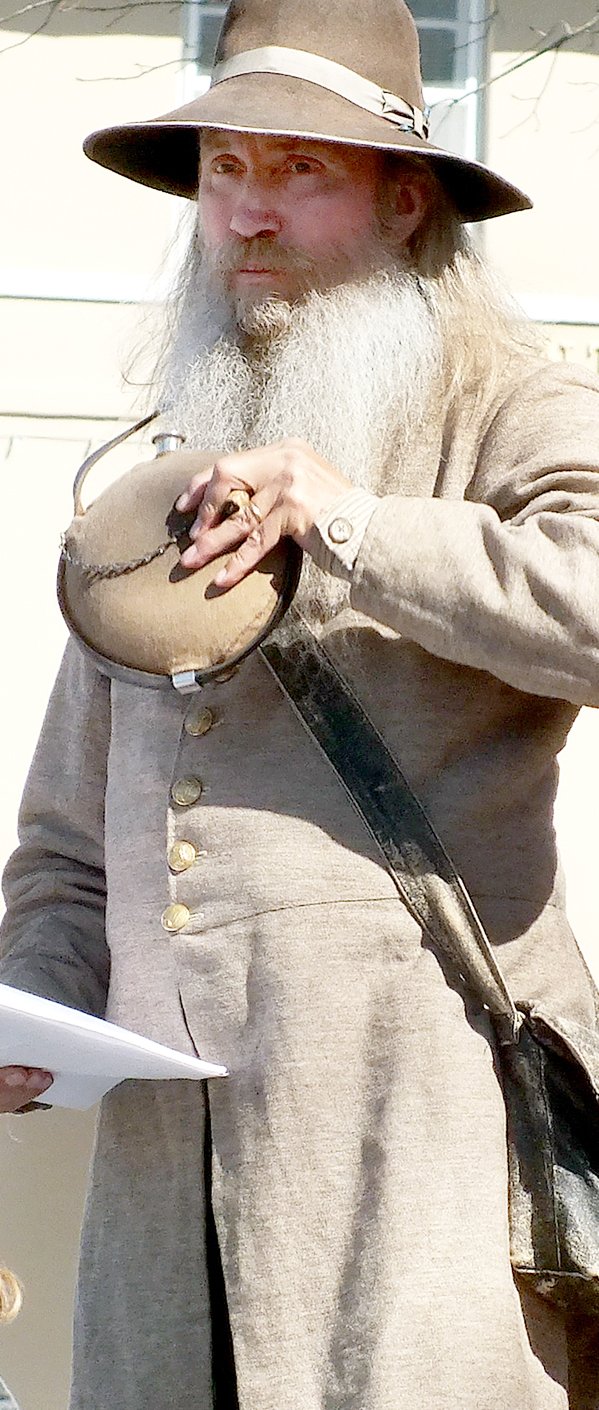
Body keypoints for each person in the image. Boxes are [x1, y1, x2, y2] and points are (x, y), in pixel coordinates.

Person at [1, 0, 599, 1406]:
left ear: (404, 202)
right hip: (164, 1189)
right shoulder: (160, 472)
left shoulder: (516, 404)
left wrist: (350, 523)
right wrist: (30, 1008)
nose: (246, 216)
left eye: (297, 171)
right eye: (225, 171)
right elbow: (67, 851)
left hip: (422, 1142)